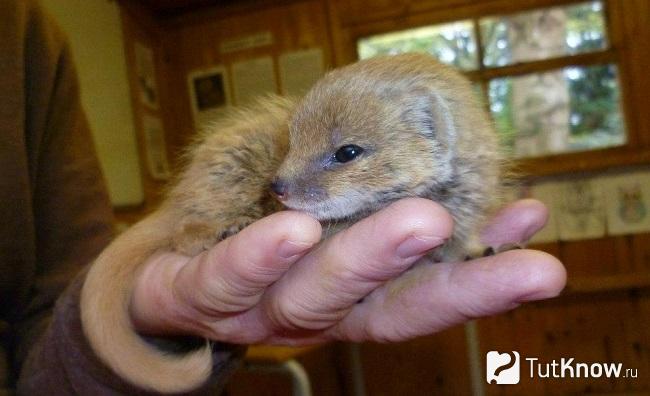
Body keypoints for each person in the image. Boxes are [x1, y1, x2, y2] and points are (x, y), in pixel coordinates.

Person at [1, 0, 566, 394]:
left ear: (431, 133)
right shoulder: (288, 168)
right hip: (206, 226)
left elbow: (44, 307)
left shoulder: (29, 41)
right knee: (254, 154)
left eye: (345, 156)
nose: (285, 182)